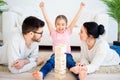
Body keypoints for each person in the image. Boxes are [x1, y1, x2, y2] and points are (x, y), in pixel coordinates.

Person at [32, 1, 85, 80]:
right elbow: (47, 20)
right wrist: (43, 8)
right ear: (55, 25)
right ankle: (41, 74)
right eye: (58, 24)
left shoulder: (68, 31)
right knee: (50, 62)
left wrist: (81, 8)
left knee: (71, 64)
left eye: (63, 24)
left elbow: (75, 20)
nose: (60, 26)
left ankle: (80, 76)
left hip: (67, 54)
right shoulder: (53, 32)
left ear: (66, 25)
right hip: (56, 54)